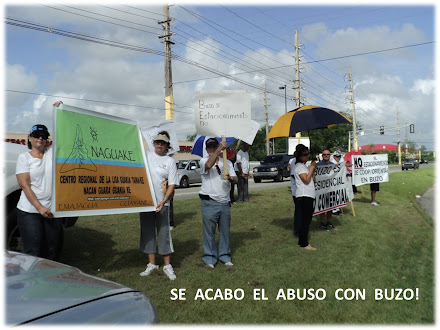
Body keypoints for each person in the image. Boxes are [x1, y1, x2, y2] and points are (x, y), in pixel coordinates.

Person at [16, 124, 63, 260]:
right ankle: (32, 281)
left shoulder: (51, 153)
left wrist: (60, 110)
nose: (40, 139)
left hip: (51, 211)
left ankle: (49, 279)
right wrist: (39, 207)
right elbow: (24, 185)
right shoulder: (24, 158)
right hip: (29, 211)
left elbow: (64, 135)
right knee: (33, 252)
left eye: (44, 136)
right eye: (36, 136)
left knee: (51, 250)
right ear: (30, 138)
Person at [139, 131, 178, 280]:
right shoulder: (146, 155)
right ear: (153, 143)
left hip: (163, 204)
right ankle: (152, 264)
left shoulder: (170, 161)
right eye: (157, 142)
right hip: (146, 203)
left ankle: (167, 266)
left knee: (164, 234)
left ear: (167, 145)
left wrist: (164, 200)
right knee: (148, 232)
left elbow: (172, 183)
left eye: (162, 143)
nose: (159, 144)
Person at [199, 138, 237, 268]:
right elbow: (208, 165)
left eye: (214, 147)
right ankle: (209, 258)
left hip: (225, 202)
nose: (212, 149)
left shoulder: (227, 163)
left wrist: (231, 178)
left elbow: (236, 179)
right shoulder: (203, 160)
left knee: (225, 231)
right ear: (206, 149)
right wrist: (219, 150)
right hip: (209, 202)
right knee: (209, 232)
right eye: (210, 147)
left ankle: (225, 256)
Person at [294, 144, 317, 250]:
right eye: (305, 154)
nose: (307, 156)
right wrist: (311, 167)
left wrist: (312, 170)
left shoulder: (304, 166)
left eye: (308, 154)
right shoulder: (299, 166)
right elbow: (306, 180)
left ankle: (302, 241)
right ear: (299, 156)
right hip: (304, 195)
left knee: (307, 220)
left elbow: (312, 180)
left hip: (308, 195)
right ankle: (304, 243)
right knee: (305, 220)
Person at [317, 150, 335, 230]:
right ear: (322, 155)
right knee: (322, 207)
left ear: (330, 155)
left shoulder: (333, 165)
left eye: (328, 154)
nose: (326, 156)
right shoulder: (318, 165)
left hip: (330, 189)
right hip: (321, 190)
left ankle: (329, 222)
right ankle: (322, 223)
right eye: (324, 154)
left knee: (330, 207)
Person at [288, 155, 300, 237]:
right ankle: (297, 231)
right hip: (297, 191)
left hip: (302, 191)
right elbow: (293, 174)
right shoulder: (294, 161)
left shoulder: (300, 163)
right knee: (299, 211)